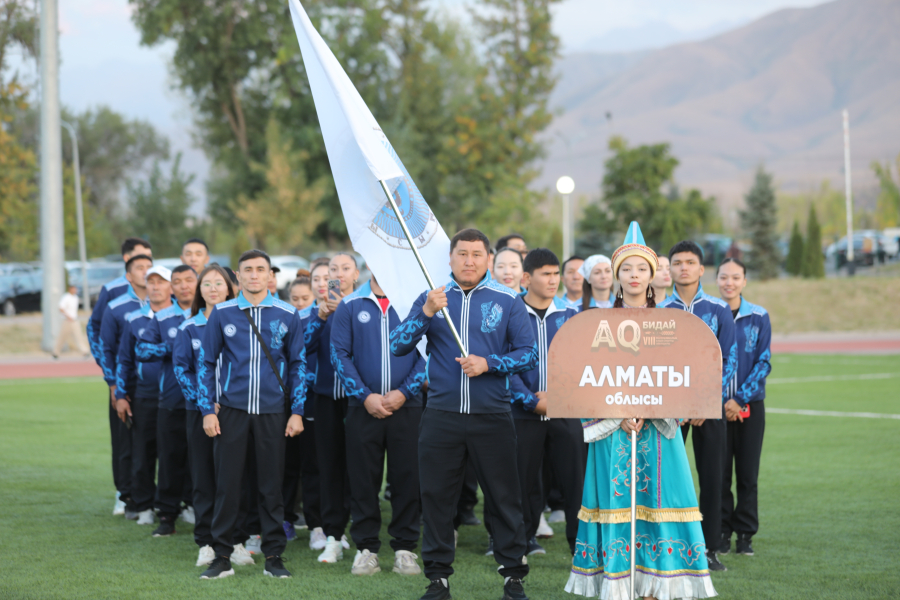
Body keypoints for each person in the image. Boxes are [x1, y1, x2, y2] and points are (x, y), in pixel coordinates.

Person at [566, 221, 717, 600]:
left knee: (659, 503)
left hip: (659, 431)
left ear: (653, 275)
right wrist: (618, 412)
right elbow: (586, 378)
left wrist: (649, 410)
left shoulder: (672, 324)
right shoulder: (595, 324)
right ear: (616, 278)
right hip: (612, 431)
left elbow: (681, 377)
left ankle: (654, 586)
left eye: (641, 269)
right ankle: (618, 587)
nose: (634, 276)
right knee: (618, 504)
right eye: (626, 269)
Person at [391, 228, 537, 600]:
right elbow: (398, 345)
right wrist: (425, 313)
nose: (469, 261)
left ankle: (513, 576)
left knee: (504, 498)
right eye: (462, 254)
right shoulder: (434, 298)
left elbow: (528, 353)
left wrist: (489, 363)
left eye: (476, 254)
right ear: (451, 258)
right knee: (437, 498)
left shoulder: (507, 300)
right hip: (441, 415)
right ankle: (438, 578)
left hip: (493, 416)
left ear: (488, 259)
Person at [196, 249, 306, 580]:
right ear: (238, 277)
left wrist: (297, 411)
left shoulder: (287, 314)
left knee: (271, 487)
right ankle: (222, 556)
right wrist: (207, 410)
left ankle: (273, 556)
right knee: (228, 486)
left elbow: (299, 364)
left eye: (260, 269)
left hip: (273, 413)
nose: (255, 275)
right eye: (248, 270)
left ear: (269, 276)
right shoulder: (223, 313)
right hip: (231, 413)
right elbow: (206, 363)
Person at [330, 275, 427, 577]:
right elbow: (339, 355)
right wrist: (364, 396)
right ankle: (366, 549)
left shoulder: (416, 303)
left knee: (407, 478)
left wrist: (404, 392)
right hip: (363, 408)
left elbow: (428, 353)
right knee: (362, 479)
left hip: (407, 406)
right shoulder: (350, 304)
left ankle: (405, 549)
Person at [659, 241, 737, 573]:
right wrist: (676, 404)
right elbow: (656, 362)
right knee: (668, 478)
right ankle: (668, 544)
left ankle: (709, 548)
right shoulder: (662, 312)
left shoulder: (718, 309)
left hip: (709, 409)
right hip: (671, 410)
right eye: (677, 263)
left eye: (690, 262)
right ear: (671, 269)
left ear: (701, 269)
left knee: (713, 478)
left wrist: (706, 401)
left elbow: (729, 360)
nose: (684, 268)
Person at [173, 264, 256, 569]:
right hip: (201, 414)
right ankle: (207, 542)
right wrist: (207, 402)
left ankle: (235, 540)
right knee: (205, 477)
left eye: (218, 283)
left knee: (236, 477)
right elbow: (182, 370)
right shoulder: (189, 327)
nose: (212, 289)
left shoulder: (243, 320)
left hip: (237, 412)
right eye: (205, 284)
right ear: (200, 292)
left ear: (229, 288)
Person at [505, 249, 584, 557]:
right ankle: (519, 545)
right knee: (523, 485)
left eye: (556, 273)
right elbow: (504, 366)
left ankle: (582, 547)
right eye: (546, 274)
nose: (554, 280)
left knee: (575, 483)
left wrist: (559, 399)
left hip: (565, 413)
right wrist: (530, 401)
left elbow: (583, 365)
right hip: (523, 415)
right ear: (527, 278)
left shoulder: (572, 314)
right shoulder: (510, 314)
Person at [89, 237, 152, 516]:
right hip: (121, 381)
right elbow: (98, 333)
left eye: (150, 260)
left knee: (154, 441)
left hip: (155, 385)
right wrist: (111, 379)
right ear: (127, 262)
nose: (146, 268)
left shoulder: (164, 295)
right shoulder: (113, 292)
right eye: (139, 261)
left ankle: (154, 497)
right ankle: (124, 494)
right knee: (124, 440)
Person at [135, 265, 198, 537]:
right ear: (172, 287)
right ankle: (167, 515)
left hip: (207, 404)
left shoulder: (212, 313)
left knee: (203, 461)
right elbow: (142, 349)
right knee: (170, 459)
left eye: (189, 280)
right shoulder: (163, 318)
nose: (184, 286)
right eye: (178, 281)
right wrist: (172, 347)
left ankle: (199, 507)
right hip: (171, 402)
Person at [715, 258, 771, 558]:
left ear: (744, 281)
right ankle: (721, 531)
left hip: (750, 407)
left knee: (748, 473)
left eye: (736, 278)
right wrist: (723, 399)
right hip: (716, 408)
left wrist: (739, 399)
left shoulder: (759, 316)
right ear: (716, 280)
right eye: (724, 277)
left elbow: (764, 361)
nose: (729, 283)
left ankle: (745, 535)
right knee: (719, 472)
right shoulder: (709, 314)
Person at [305, 253, 359, 563]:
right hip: (325, 398)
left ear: (355, 274)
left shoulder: (363, 307)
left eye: (343, 269)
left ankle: (354, 530)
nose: (335, 275)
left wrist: (344, 314)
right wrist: (321, 318)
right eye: (330, 271)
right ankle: (331, 534)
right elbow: (302, 348)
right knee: (328, 467)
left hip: (357, 399)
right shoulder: (316, 312)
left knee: (357, 467)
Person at [114, 264, 171, 527]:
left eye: (161, 282)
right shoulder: (134, 320)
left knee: (175, 454)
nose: (156, 287)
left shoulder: (179, 318)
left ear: (170, 287)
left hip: (175, 399)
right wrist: (122, 395)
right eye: (151, 282)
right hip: (145, 397)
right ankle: (145, 505)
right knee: (143, 454)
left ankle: (176, 504)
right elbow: (124, 360)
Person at [281, 269, 317, 542]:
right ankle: (286, 518)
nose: (299, 303)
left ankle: (318, 523)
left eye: (305, 298)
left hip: (318, 401)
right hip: (289, 400)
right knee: (288, 464)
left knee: (314, 464)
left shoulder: (327, 315)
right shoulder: (286, 319)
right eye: (294, 298)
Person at [53, 284, 89, 358]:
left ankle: (85, 351)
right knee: (62, 337)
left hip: (74, 320)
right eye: (73, 289)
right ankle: (56, 352)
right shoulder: (66, 297)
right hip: (67, 321)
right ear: (70, 289)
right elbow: (61, 308)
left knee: (79, 336)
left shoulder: (75, 298)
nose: (75, 290)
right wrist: (68, 316)